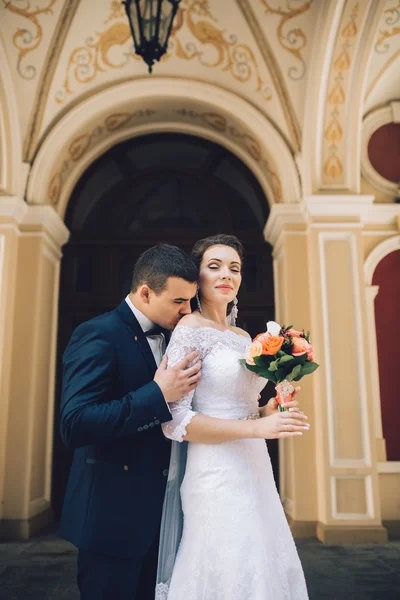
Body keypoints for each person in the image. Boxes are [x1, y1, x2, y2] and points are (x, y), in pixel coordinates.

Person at [155, 234, 309, 600]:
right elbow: (175, 421)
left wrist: (265, 411)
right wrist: (258, 427)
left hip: (254, 463)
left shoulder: (243, 337)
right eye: (215, 266)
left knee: (263, 555)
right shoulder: (189, 330)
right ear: (198, 278)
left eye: (234, 268)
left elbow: (241, 405)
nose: (227, 274)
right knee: (229, 560)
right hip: (215, 472)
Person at [58, 244, 201, 600]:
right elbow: (75, 423)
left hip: (168, 519)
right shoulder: (98, 333)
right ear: (145, 292)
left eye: (191, 301)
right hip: (113, 521)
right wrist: (156, 395)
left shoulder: (177, 336)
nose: (187, 311)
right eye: (179, 301)